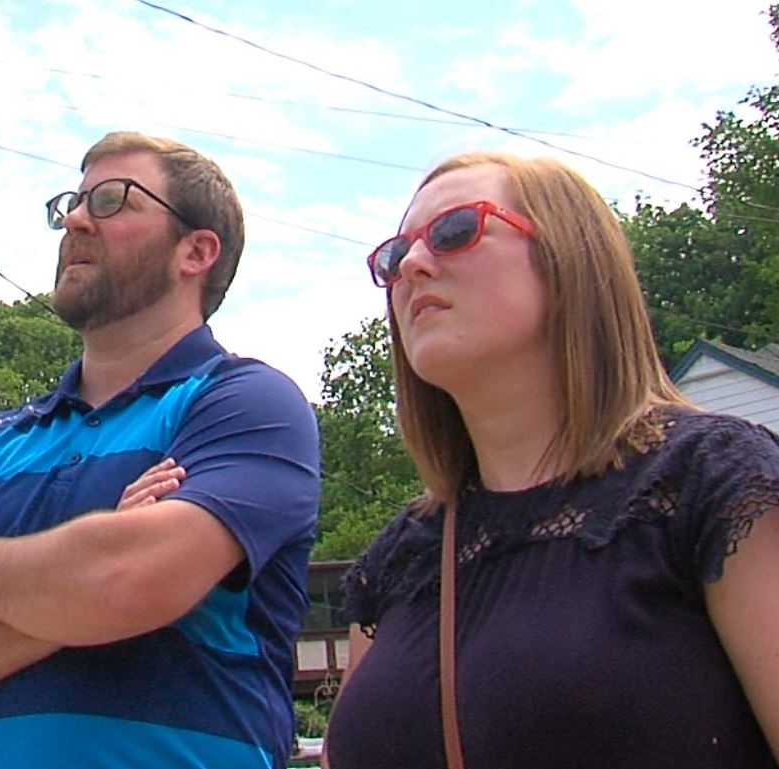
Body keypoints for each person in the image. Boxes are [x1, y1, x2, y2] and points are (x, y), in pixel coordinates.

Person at [0, 131, 321, 769]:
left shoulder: (246, 404)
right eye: (72, 202)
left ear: (196, 250)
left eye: (111, 201)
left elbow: (122, 581)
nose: (75, 219)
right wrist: (79, 590)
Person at [322, 152, 779, 769]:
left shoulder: (717, 483)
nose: (413, 265)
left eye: (455, 230)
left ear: (570, 262)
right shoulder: (404, 554)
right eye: (393, 256)